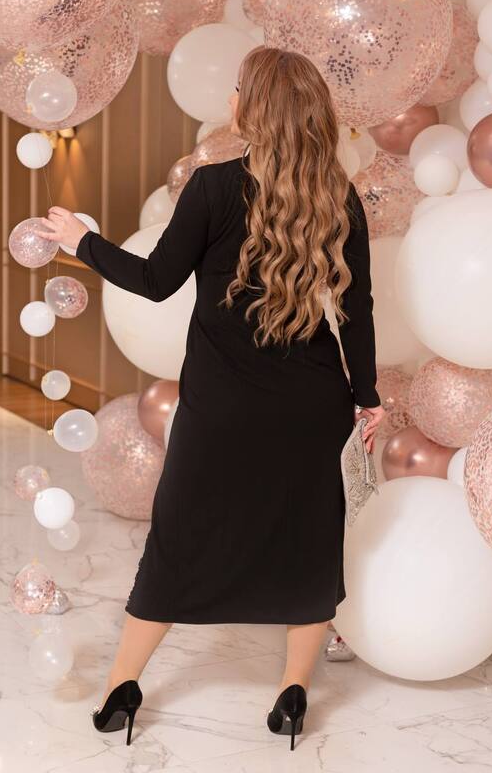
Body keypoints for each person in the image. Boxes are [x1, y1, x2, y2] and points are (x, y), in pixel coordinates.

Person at [37, 45, 385, 750]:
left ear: (252, 110)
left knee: (178, 540)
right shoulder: (336, 196)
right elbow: (358, 310)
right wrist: (366, 396)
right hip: (312, 408)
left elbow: (155, 281)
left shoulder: (213, 187)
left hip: (222, 409)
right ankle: (293, 693)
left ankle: (121, 689)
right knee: (309, 543)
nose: (230, 99)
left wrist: (83, 241)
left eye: (237, 90)